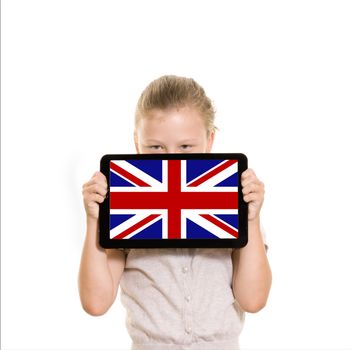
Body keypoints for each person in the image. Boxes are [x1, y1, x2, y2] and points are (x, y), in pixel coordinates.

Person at [78, 75, 272, 350]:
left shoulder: (233, 203)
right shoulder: (123, 207)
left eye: (185, 147)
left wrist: (251, 219)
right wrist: (94, 219)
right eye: (155, 147)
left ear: (209, 140)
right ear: (137, 143)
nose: (171, 159)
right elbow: (96, 303)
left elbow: (253, 300)